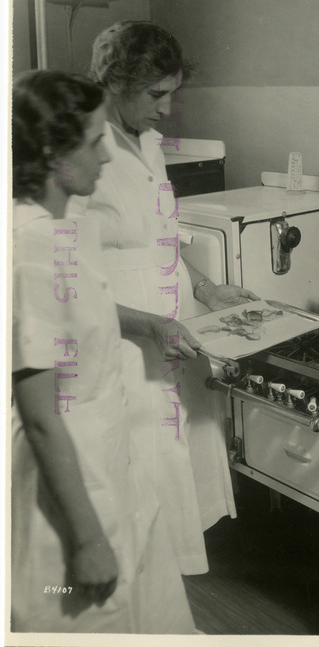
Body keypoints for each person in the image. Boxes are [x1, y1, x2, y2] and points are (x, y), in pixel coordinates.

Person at [68, 20, 258, 577]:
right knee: (136, 477)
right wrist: (148, 323)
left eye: (172, 93)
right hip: (122, 334)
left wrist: (205, 286)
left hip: (174, 325)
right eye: (156, 94)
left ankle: (168, 598)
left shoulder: (148, 141)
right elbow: (70, 282)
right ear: (114, 81)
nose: (167, 110)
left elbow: (162, 237)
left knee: (177, 467)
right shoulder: (81, 149)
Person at [11, 70, 195, 634]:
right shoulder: (28, 246)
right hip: (71, 484)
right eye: (95, 144)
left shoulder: (63, 230)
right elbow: (41, 418)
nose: (107, 159)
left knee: (148, 611)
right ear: (51, 151)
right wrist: (88, 538)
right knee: (86, 616)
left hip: (111, 459)